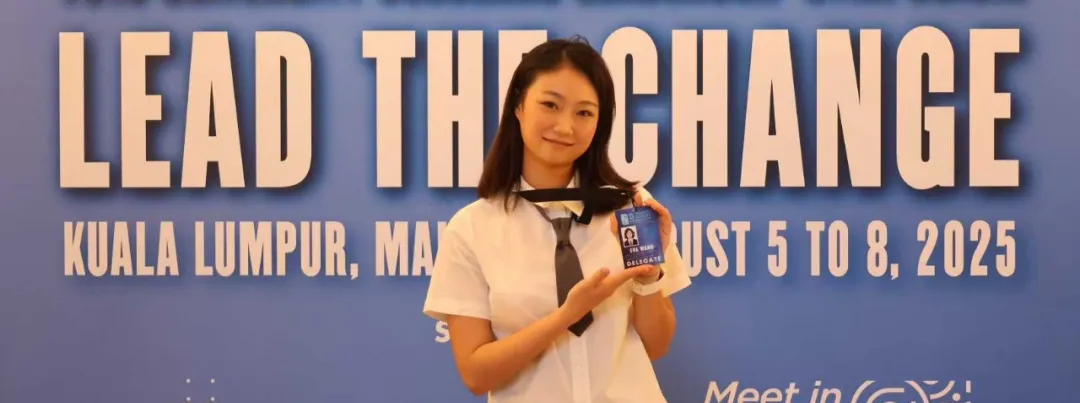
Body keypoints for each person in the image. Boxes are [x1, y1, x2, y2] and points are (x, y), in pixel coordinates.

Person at [422, 35, 692, 403]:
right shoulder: (472, 228)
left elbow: (657, 345)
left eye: (584, 113)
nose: (565, 127)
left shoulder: (631, 207)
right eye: (550, 105)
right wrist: (567, 315)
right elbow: (476, 373)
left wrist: (648, 278)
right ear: (518, 105)